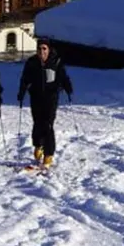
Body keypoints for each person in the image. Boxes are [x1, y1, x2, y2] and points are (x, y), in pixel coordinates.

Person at [17, 38, 72, 168]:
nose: (42, 51)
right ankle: (38, 144)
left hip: (51, 98)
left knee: (48, 124)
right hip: (36, 97)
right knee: (37, 123)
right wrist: (22, 92)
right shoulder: (31, 63)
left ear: (49, 49)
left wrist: (68, 87)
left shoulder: (56, 62)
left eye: (44, 48)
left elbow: (63, 77)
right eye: (39, 48)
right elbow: (25, 79)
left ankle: (49, 153)